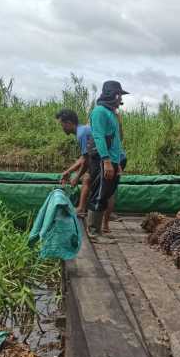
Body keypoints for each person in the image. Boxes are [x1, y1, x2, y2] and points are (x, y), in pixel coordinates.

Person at [87, 80, 128, 241]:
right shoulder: (99, 112)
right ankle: (93, 231)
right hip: (103, 160)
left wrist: (117, 164)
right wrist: (106, 161)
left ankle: (98, 230)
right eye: (119, 95)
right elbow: (99, 137)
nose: (120, 99)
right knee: (99, 193)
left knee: (105, 194)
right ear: (113, 95)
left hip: (113, 161)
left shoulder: (112, 113)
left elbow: (116, 142)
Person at [55, 108, 92, 216]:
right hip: (99, 159)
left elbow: (87, 160)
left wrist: (76, 177)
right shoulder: (82, 130)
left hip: (106, 159)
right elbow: (83, 157)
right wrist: (68, 171)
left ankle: (81, 208)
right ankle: (83, 207)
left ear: (69, 123)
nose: (62, 128)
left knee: (86, 178)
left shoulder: (81, 134)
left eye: (62, 125)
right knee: (87, 179)